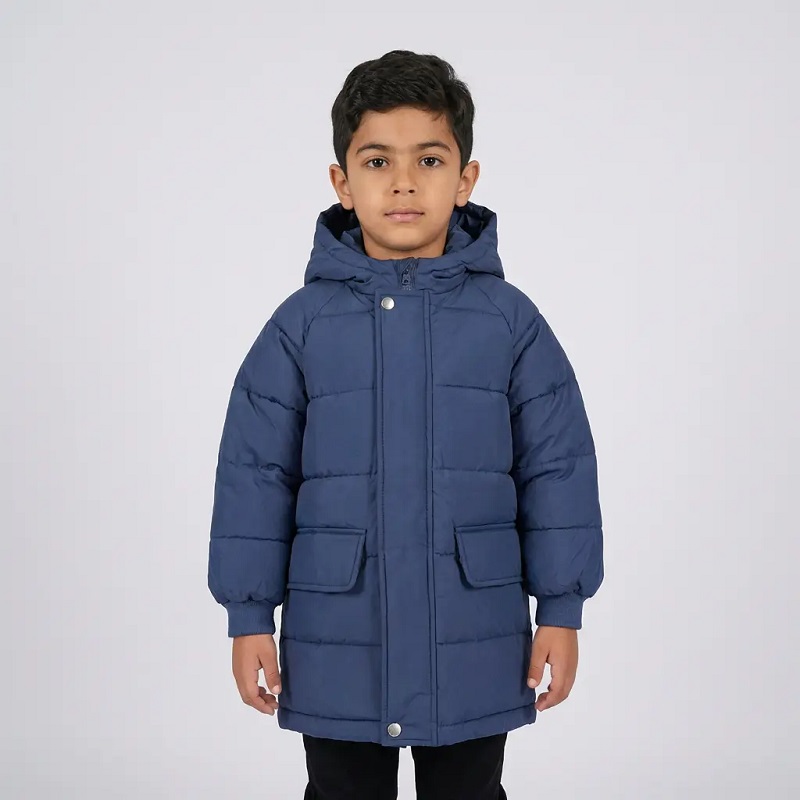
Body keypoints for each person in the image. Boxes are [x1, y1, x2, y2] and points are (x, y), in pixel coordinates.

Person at [207, 49, 604, 800]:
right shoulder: (299, 327)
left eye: (428, 159)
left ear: (466, 178)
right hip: (338, 629)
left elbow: (558, 469)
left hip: (473, 627)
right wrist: (248, 614)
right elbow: (254, 476)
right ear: (342, 183)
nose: (402, 182)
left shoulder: (510, 323)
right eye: (377, 161)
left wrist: (562, 607)